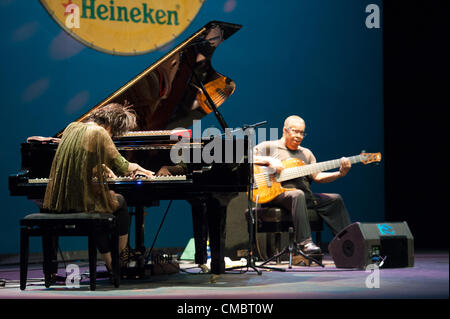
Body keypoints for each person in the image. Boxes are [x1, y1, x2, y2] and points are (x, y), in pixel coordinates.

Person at [43, 103, 153, 273]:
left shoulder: (72, 127)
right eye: (114, 133)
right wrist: (140, 168)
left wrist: (99, 167)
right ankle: (119, 258)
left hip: (63, 199)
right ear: (112, 125)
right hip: (81, 203)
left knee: (104, 201)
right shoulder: (100, 132)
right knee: (119, 202)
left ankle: (110, 262)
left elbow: (80, 160)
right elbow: (122, 165)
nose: (112, 136)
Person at [253, 115, 352, 255]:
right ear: (285, 130)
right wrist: (268, 160)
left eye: (302, 133)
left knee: (335, 199)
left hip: (304, 196)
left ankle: (349, 244)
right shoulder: (269, 147)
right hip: (276, 195)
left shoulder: (306, 153)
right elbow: (246, 156)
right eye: (295, 131)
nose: (299, 136)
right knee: (296, 194)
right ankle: (305, 243)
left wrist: (340, 173)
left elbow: (317, 176)